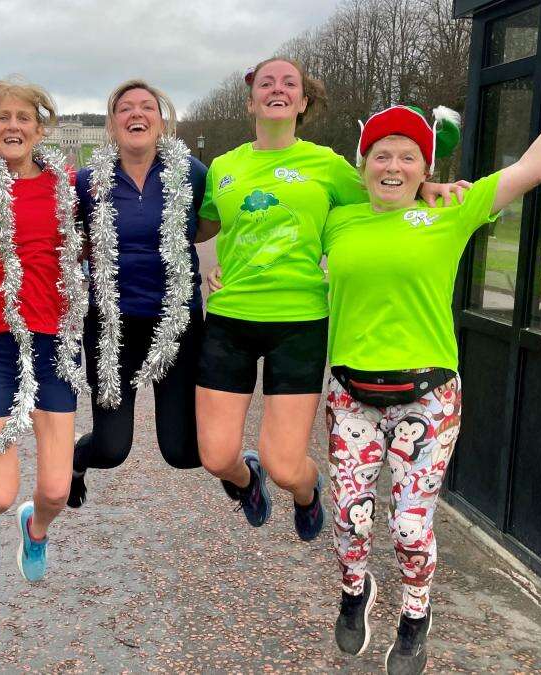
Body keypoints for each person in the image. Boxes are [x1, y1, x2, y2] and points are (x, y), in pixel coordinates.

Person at [321, 26, 541, 675]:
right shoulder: (339, 217)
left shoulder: (451, 212)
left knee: (409, 526)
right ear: (362, 164)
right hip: (349, 392)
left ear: (427, 167)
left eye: (408, 156)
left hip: (428, 394)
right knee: (350, 522)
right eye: (380, 154)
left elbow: (534, 168)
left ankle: (415, 615)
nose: (392, 166)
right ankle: (356, 593)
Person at [195, 56, 466, 540]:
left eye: (289, 84)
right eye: (266, 83)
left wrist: (427, 186)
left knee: (285, 465)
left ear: (302, 102)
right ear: (250, 99)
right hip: (230, 318)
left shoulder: (327, 165)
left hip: (299, 322)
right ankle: (245, 479)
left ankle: (307, 491)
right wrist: (216, 265)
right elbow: (211, 227)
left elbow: (383, 191)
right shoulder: (224, 166)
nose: (276, 89)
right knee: (216, 457)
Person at [0, 37, 87, 583]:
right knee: (1, 492)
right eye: (1, 117)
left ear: (39, 127)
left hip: (53, 339)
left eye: (23, 117)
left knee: (53, 489)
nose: (13, 125)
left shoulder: (65, 186)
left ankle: (38, 530)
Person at [67, 79, 206, 508]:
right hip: (113, 326)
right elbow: (63, 239)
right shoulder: (88, 181)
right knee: (111, 449)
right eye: (125, 108)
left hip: (176, 322)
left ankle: (244, 468)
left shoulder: (193, 174)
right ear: (112, 124)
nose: (136, 114)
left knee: (182, 453)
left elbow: (224, 223)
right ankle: (75, 460)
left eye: (147, 107)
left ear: (161, 121)